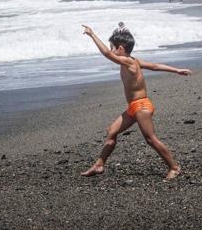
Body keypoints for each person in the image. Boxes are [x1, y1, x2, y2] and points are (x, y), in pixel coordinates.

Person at [80, 24, 191, 180]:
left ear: (120, 48)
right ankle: (99, 165)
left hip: (141, 106)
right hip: (133, 107)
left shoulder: (127, 61)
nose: (111, 50)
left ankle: (174, 167)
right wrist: (177, 70)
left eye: (113, 47)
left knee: (150, 139)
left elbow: (105, 53)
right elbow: (154, 66)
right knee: (112, 131)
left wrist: (92, 34)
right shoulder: (134, 61)